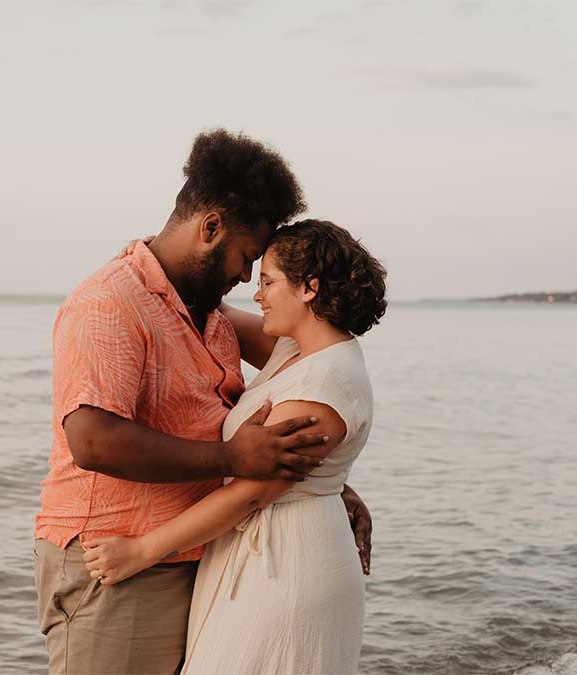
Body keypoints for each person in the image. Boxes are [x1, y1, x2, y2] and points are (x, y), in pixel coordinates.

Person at [34, 129, 373, 675]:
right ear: (210, 227)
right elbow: (92, 440)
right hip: (116, 559)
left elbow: (307, 380)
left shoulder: (209, 314)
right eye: (246, 259)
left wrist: (325, 482)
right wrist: (235, 461)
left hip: (193, 552)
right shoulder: (110, 303)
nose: (246, 278)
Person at [83, 219, 387, 674]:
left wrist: (142, 551)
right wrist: (148, 257)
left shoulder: (323, 380)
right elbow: (209, 306)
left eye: (267, 281)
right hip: (265, 555)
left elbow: (251, 492)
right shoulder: (297, 351)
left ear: (310, 288)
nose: (257, 292)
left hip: (286, 567)